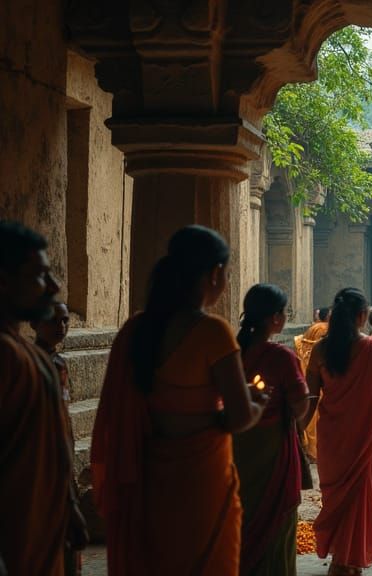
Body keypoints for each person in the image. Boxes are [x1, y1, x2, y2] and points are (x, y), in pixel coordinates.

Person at [91, 225, 266, 575]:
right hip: (201, 479)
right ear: (215, 274)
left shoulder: (135, 330)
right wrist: (257, 401)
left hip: (148, 471)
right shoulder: (213, 332)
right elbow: (238, 417)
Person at [0, 221, 84, 576]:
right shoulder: (8, 358)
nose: (53, 286)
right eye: (39, 276)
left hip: (38, 537)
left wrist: (67, 505)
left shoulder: (27, 355)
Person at [304, 288, 372, 576]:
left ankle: (342, 557)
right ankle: (350, 560)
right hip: (371, 438)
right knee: (363, 502)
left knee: (339, 499)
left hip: (334, 439)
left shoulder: (321, 350)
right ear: (362, 316)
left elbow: (311, 400)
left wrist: (297, 431)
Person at [234, 284, 309, 576]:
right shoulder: (281, 356)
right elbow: (301, 405)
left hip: (236, 446)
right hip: (273, 449)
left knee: (241, 517)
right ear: (276, 318)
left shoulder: (232, 352)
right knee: (277, 523)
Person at [31, 300, 82, 575]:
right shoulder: (32, 364)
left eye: (65, 321)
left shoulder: (59, 363)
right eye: (54, 321)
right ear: (35, 325)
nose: (61, 327)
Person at [295, 307, 330, 460]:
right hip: (318, 374)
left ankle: (308, 448)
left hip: (307, 371)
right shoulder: (323, 329)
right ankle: (314, 451)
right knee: (317, 415)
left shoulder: (313, 328)